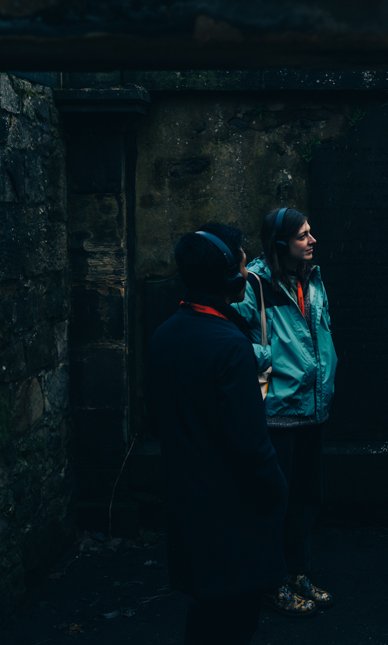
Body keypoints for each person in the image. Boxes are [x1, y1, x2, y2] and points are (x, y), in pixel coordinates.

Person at [147, 223, 288, 644]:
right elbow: (249, 445)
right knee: (233, 621)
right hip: (232, 514)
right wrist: (277, 489)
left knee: (205, 615)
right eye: (243, 260)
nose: (247, 269)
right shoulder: (229, 345)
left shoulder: (165, 334)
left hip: (186, 503)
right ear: (228, 273)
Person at [233, 207, 338, 618]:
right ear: (281, 243)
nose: (312, 241)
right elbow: (231, 335)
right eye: (303, 236)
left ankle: (297, 572)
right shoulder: (254, 284)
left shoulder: (312, 278)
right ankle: (270, 581)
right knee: (274, 502)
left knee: (306, 499)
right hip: (278, 413)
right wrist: (264, 360)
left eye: (311, 233)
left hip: (313, 410)